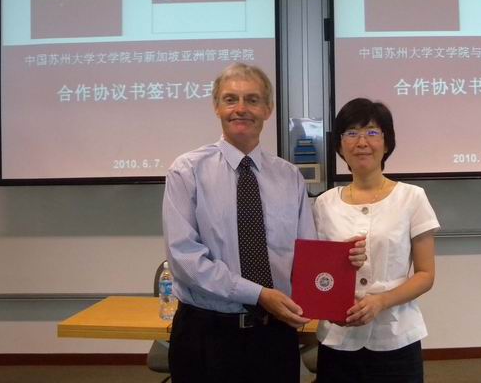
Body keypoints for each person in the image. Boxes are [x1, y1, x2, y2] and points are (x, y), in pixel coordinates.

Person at [162, 63, 365, 383]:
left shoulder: (289, 176)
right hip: (206, 334)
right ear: (216, 106)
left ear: (268, 109)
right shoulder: (186, 171)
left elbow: (306, 257)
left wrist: (338, 266)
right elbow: (184, 259)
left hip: (274, 336)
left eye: (252, 100)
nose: (241, 108)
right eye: (230, 99)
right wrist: (258, 294)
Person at [313, 97, 440, 383]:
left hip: (395, 337)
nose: (362, 142)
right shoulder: (324, 204)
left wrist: (381, 301)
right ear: (340, 146)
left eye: (372, 132)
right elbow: (316, 274)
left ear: (387, 142)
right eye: (351, 133)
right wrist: (331, 299)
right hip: (338, 337)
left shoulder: (412, 198)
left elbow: (426, 275)